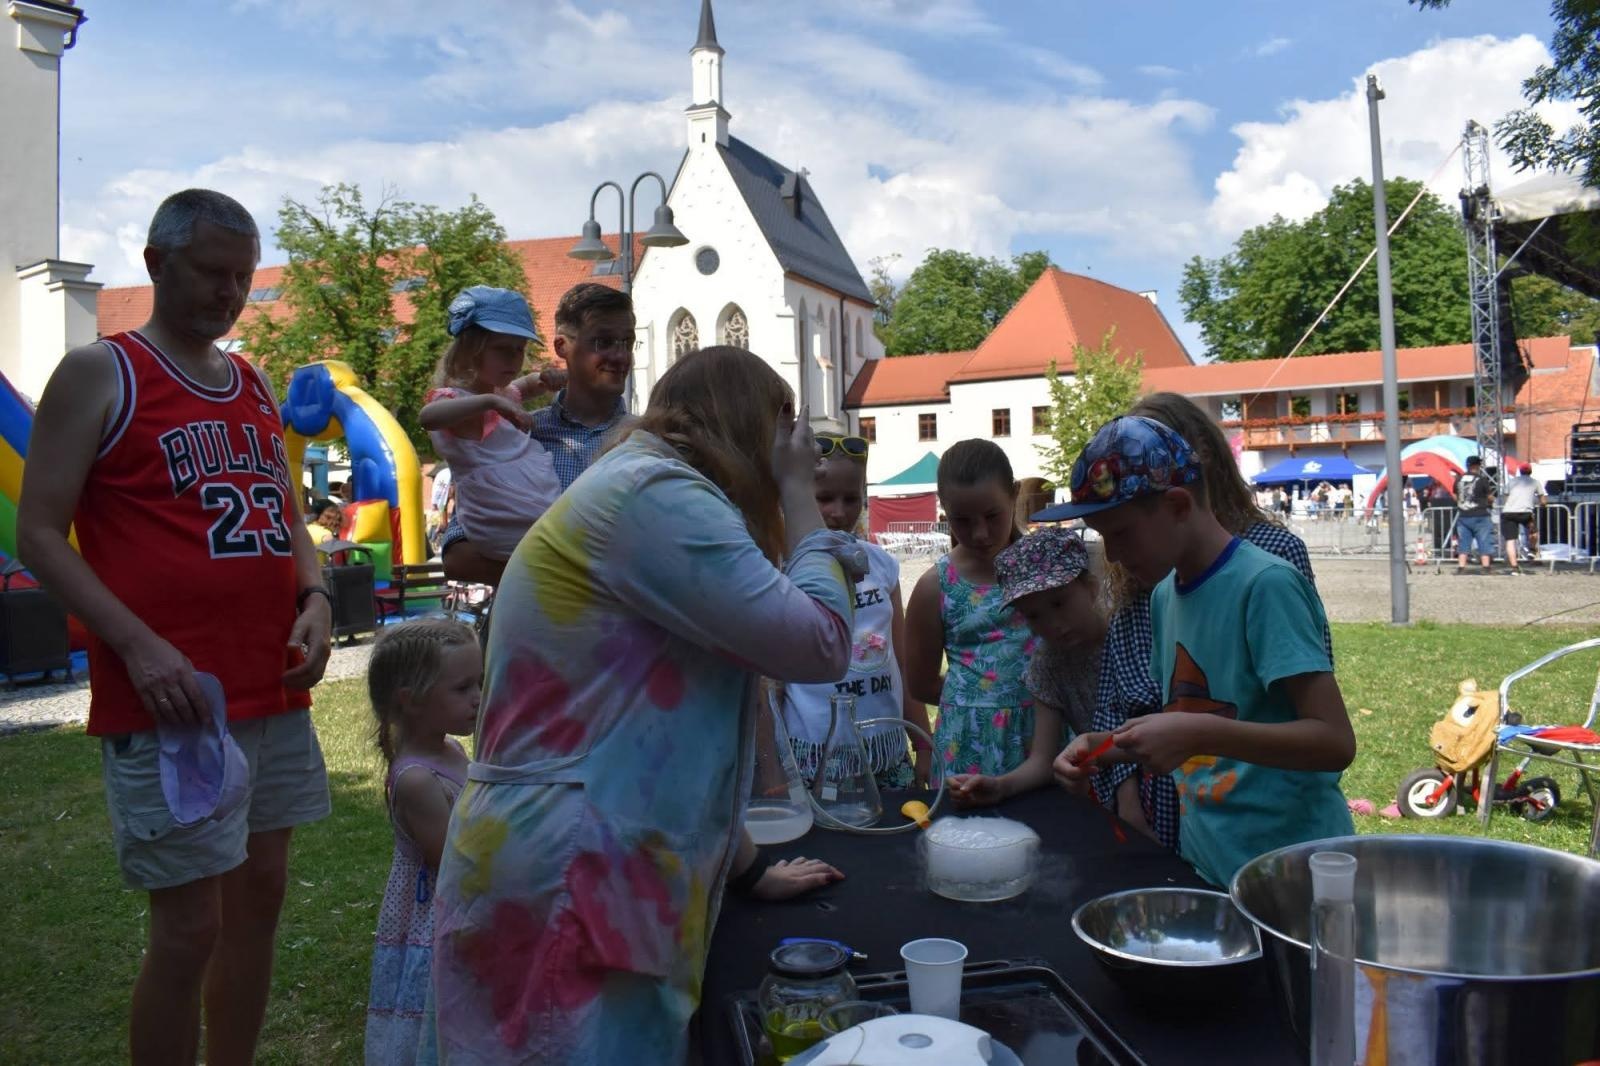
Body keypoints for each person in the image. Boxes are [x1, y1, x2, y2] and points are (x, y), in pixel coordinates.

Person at [429, 347, 854, 1063]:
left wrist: (746, 868)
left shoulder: (642, 489)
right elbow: (822, 644)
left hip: (576, 858)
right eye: (783, 439)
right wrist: (799, 496)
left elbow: (650, 723)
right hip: (572, 869)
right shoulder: (655, 495)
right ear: (753, 428)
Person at [16, 188, 333, 1065]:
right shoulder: (102, 372)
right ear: (156, 264)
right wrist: (137, 642)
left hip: (274, 681)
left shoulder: (253, 381)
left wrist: (315, 597)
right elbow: (39, 532)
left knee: (259, 899)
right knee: (190, 927)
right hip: (175, 700)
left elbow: (285, 511)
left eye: (243, 277)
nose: (230, 295)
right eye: (211, 273)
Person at [1054, 415, 1355, 888]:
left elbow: (1335, 742)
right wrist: (1101, 748)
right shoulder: (1162, 596)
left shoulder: (1266, 586)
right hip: (1210, 867)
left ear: (1177, 504)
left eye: (1121, 533)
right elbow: (1185, 713)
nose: (1110, 555)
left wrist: (1200, 734)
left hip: (1289, 871)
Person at [440, 282, 634, 586]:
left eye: (627, 341)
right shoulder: (513, 432)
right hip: (529, 629)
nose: (621, 356)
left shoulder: (646, 441)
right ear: (562, 347)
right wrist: (582, 584)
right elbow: (457, 559)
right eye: (603, 342)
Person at [779, 434, 932, 789]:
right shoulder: (783, 569)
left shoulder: (881, 566)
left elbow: (902, 661)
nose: (838, 512)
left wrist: (923, 743)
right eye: (824, 499)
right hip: (815, 753)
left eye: (851, 499)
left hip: (885, 748)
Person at [364, 619, 479, 1065]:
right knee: (439, 1019)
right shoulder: (417, 780)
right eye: (462, 687)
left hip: (459, 906)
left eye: (479, 682)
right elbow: (450, 863)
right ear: (411, 702)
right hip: (437, 918)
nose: (477, 697)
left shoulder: (450, 748)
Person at [904, 440, 1042, 807]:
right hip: (967, 742)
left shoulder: (1044, 571)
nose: (980, 533)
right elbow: (919, 683)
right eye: (962, 521)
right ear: (944, 508)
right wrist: (981, 700)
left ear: (1014, 495)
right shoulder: (936, 587)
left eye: (992, 515)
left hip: (1041, 735)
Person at [419, 287, 564, 562]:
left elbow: (527, 385)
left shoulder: (501, 393)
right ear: (472, 350)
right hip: (502, 521)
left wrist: (546, 379)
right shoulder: (459, 401)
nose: (514, 358)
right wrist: (491, 402)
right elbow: (428, 417)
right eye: (502, 350)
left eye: (519, 350)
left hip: (530, 518)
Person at [995, 527, 1100, 742]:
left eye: (1059, 603)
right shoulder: (1047, 665)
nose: (1053, 623)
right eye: (1034, 615)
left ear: (1091, 587)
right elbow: (1042, 759)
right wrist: (997, 778)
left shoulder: (1131, 632)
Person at [1453, 455, 1497, 574]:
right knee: (1484, 541)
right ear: (1478, 465)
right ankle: (1486, 567)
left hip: (1463, 515)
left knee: (1463, 542)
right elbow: (1489, 497)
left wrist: (1461, 503)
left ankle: (1461, 567)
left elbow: (1455, 495)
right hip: (1480, 515)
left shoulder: (1458, 479)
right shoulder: (1482, 479)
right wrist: (1492, 500)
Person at [1501, 463, 1544, 574]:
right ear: (1531, 471)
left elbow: (1505, 497)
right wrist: (1541, 504)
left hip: (1508, 512)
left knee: (1510, 541)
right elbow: (1543, 500)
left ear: (1520, 471)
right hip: (1525, 512)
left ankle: (1514, 568)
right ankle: (1532, 549)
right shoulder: (1535, 482)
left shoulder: (1512, 481)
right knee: (1533, 531)